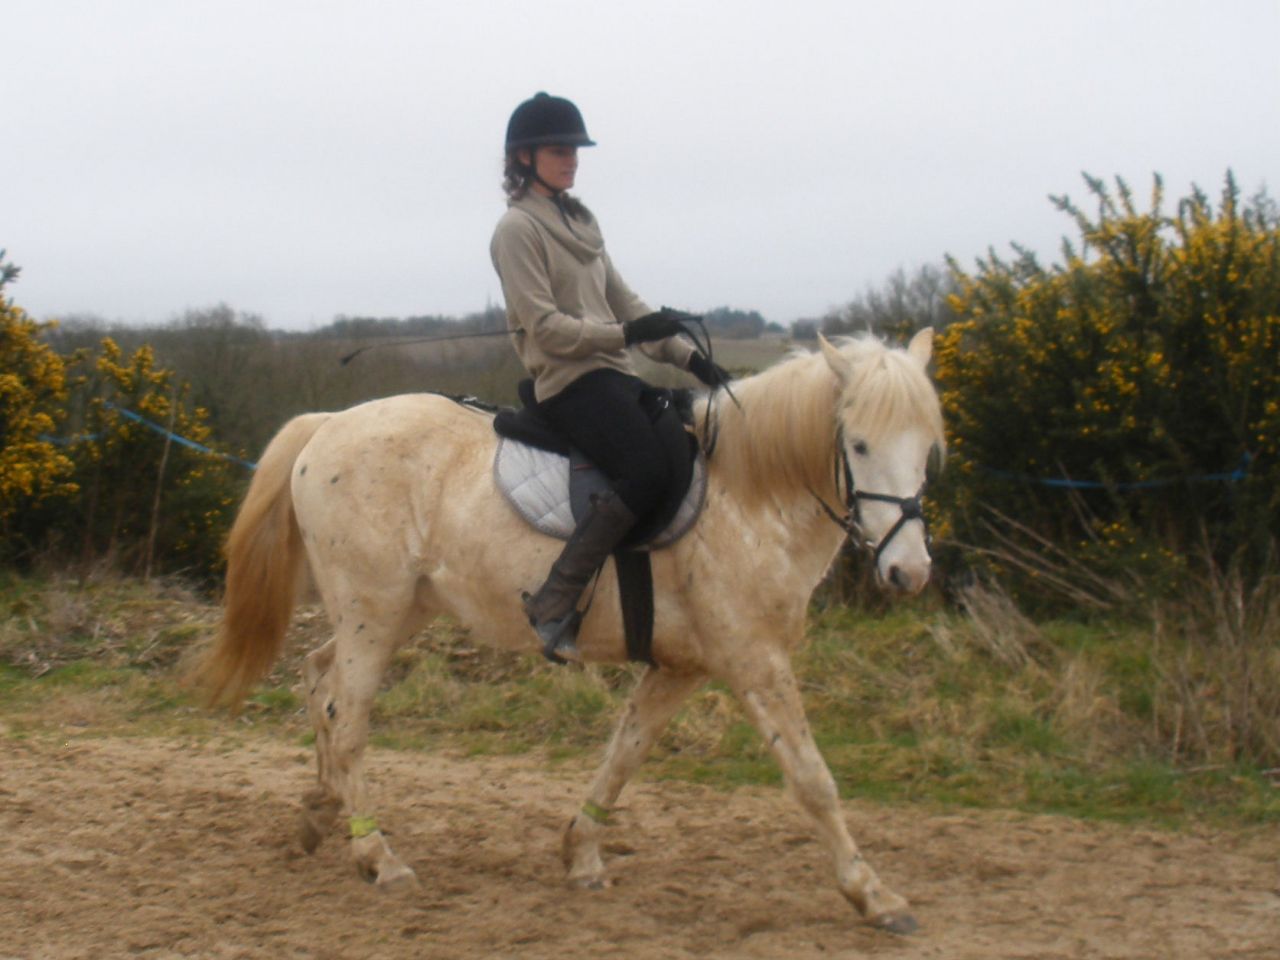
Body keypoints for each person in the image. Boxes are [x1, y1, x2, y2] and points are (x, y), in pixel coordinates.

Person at [490, 92, 725, 663]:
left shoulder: (582, 223)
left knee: (683, 446)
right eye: (558, 150)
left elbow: (629, 306)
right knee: (644, 470)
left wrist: (693, 362)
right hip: (568, 383)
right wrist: (625, 334)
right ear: (523, 157)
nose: (571, 160)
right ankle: (555, 599)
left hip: (614, 376)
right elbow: (548, 330)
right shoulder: (517, 230)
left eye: (575, 150)